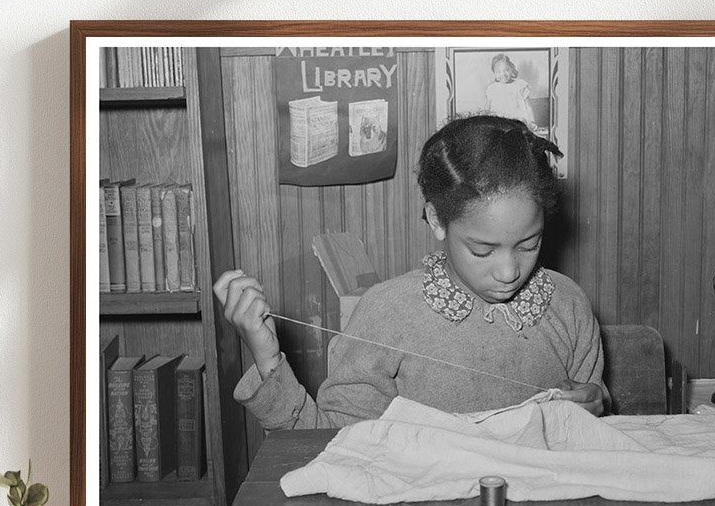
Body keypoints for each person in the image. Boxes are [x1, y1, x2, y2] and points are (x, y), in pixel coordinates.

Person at [214, 114, 607, 430]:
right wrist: (267, 357)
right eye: (482, 250)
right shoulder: (387, 314)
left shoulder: (566, 303)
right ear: (437, 219)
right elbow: (327, 447)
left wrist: (594, 406)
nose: (508, 271)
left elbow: (595, 415)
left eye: (528, 245)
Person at [484, 53, 537, 131]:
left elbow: (528, 107)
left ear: (512, 69)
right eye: (499, 72)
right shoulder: (492, 89)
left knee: (519, 125)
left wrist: (532, 121)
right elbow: (487, 108)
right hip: (499, 122)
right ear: (494, 74)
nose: (503, 74)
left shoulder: (520, 85)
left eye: (506, 70)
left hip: (516, 120)